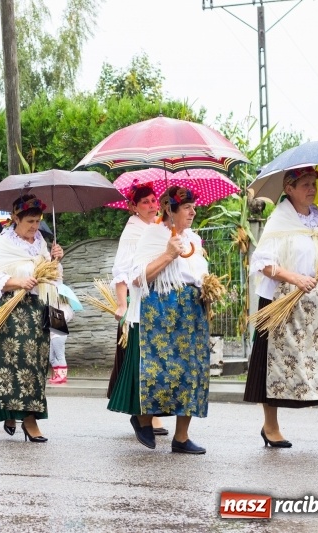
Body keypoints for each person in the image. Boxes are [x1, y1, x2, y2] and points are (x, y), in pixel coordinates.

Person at [244, 166, 318, 447]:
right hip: (283, 302)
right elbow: (263, 263)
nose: (312, 189)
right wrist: (293, 278)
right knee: (273, 367)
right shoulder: (279, 220)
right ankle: (270, 426)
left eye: (313, 184)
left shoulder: (316, 217)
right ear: (288, 188)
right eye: (305, 184)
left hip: (317, 302)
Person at [112, 186, 211, 454]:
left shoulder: (194, 239)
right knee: (161, 373)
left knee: (191, 373)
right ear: (171, 209)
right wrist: (168, 254)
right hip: (161, 312)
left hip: (191, 313)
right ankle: (143, 418)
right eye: (187, 206)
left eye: (193, 206)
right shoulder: (152, 235)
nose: (193, 211)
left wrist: (209, 288)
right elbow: (137, 277)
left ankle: (181, 437)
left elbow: (198, 273)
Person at [0, 195, 65, 442]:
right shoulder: (4, 244)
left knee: (36, 366)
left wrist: (56, 259)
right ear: (15, 218)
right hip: (11, 312)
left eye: (37, 221)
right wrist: (18, 282)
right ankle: (28, 421)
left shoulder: (40, 243)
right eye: (29, 221)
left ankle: (13, 412)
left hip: (38, 310)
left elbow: (52, 278)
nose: (34, 227)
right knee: (15, 365)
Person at [106, 183, 167, 436]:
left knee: (156, 357)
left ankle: (150, 411)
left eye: (154, 200)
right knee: (139, 358)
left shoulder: (158, 228)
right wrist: (122, 304)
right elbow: (121, 272)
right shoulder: (132, 233)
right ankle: (142, 413)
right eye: (146, 202)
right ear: (133, 207)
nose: (153, 205)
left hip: (158, 298)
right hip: (137, 298)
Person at [48, 290, 74, 385]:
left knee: (60, 356)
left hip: (58, 334)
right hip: (54, 334)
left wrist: (56, 313)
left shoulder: (65, 307)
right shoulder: (55, 304)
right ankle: (58, 375)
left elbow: (63, 319)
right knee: (51, 358)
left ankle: (62, 377)